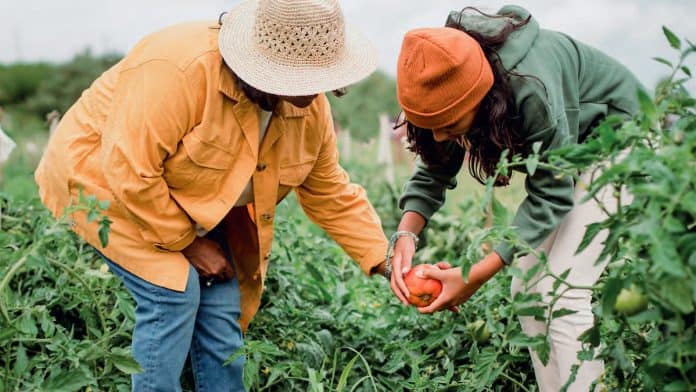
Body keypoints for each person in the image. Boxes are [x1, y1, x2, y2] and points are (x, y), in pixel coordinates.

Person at [34, 0, 390, 390]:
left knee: (222, 301)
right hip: (101, 181)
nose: (316, 92)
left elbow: (330, 193)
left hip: (187, 197)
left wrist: (387, 262)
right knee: (172, 292)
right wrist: (189, 245)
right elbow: (130, 172)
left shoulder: (310, 111)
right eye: (302, 78)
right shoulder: (179, 72)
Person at [387, 5, 643, 391]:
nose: (440, 137)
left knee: (564, 292)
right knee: (525, 290)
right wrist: (405, 235)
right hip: (577, 156)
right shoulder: (448, 74)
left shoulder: (530, 88)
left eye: (449, 126)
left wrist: (471, 276)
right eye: (430, 127)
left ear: (481, 98)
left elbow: (551, 192)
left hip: (624, 142)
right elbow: (436, 165)